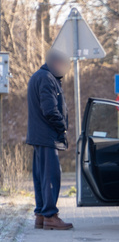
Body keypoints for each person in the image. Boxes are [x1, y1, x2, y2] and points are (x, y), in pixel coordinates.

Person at [26, 49, 73, 230]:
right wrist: (62, 126)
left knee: (41, 177)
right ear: (55, 63)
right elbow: (50, 110)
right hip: (47, 136)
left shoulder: (38, 76)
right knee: (51, 177)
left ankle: (41, 215)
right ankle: (50, 216)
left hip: (39, 136)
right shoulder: (47, 78)